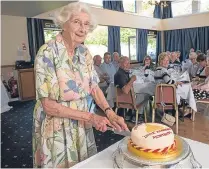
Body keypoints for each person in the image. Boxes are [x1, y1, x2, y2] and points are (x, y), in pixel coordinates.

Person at [32, 2, 128, 168]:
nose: (83, 29)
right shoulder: (47, 52)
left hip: (81, 122)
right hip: (57, 124)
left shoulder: (85, 53)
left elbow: (94, 87)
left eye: (86, 24)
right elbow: (48, 106)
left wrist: (110, 113)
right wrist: (91, 117)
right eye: (77, 22)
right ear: (64, 23)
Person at [114, 56, 149, 123]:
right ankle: (138, 115)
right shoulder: (120, 74)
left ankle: (129, 113)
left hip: (123, 99)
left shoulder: (123, 72)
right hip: (126, 101)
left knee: (141, 93)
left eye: (129, 63)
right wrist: (132, 79)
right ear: (120, 64)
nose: (128, 65)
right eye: (126, 63)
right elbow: (126, 91)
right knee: (146, 94)